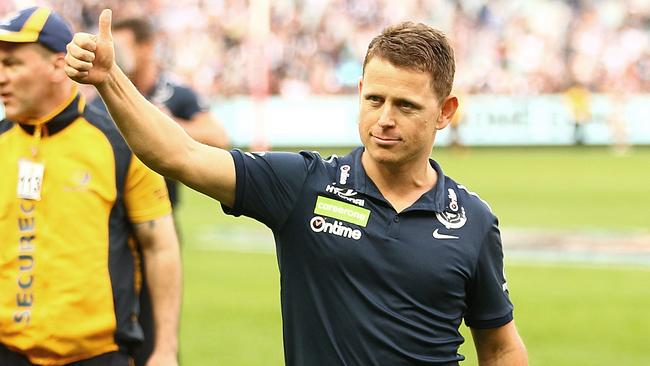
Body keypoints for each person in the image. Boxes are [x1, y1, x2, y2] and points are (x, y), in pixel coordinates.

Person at [66, 9, 528, 365]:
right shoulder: (304, 186)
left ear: (445, 111)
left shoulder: (471, 220)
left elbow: (501, 346)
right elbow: (178, 155)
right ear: (360, 90)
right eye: (374, 99)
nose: (384, 119)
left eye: (406, 105)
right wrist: (111, 82)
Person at [0, 7, 181, 366]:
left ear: (57, 65)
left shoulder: (122, 144)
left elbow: (159, 245)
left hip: (99, 355)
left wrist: (165, 349)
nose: (2, 77)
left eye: (13, 64)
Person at [90, 16, 230, 208]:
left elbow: (219, 138)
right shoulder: (103, 97)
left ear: (147, 47)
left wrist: (168, 125)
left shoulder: (176, 93)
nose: (114, 55)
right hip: (112, 211)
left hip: (163, 211)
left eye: (121, 48)